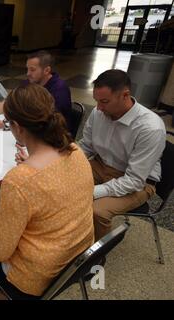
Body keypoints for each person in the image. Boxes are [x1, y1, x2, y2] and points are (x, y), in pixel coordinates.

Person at [0, 84, 94, 299]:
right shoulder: (76, 151)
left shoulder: (19, 180)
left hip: (35, 277)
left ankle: (0, 290)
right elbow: (58, 185)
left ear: (16, 126)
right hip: (78, 257)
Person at [79, 69, 166, 240]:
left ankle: (95, 257)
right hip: (101, 165)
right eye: (96, 101)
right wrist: (60, 162)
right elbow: (85, 147)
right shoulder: (99, 112)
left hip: (138, 182)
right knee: (60, 183)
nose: (98, 108)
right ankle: (73, 236)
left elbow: (134, 180)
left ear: (125, 95)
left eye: (104, 101)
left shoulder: (150, 128)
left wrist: (92, 191)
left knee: (98, 211)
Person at [0, 51, 74, 136]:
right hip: (32, 132)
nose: (28, 73)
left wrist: (5, 125)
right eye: (27, 69)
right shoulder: (29, 82)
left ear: (47, 70)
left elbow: (48, 124)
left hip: (53, 138)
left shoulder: (60, 90)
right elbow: (9, 103)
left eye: (32, 69)